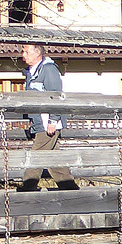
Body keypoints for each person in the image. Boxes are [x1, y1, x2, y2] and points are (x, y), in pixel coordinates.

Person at [20, 43, 77, 191]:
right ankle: (68, 187)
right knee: (53, 157)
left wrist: (53, 120)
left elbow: (56, 95)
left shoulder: (49, 70)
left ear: (37, 52)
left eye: (26, 52)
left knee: (37, 155)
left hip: (47, 122)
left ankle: (28, 186)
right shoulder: (32, 72)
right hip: (39, 121)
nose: (23, 55)